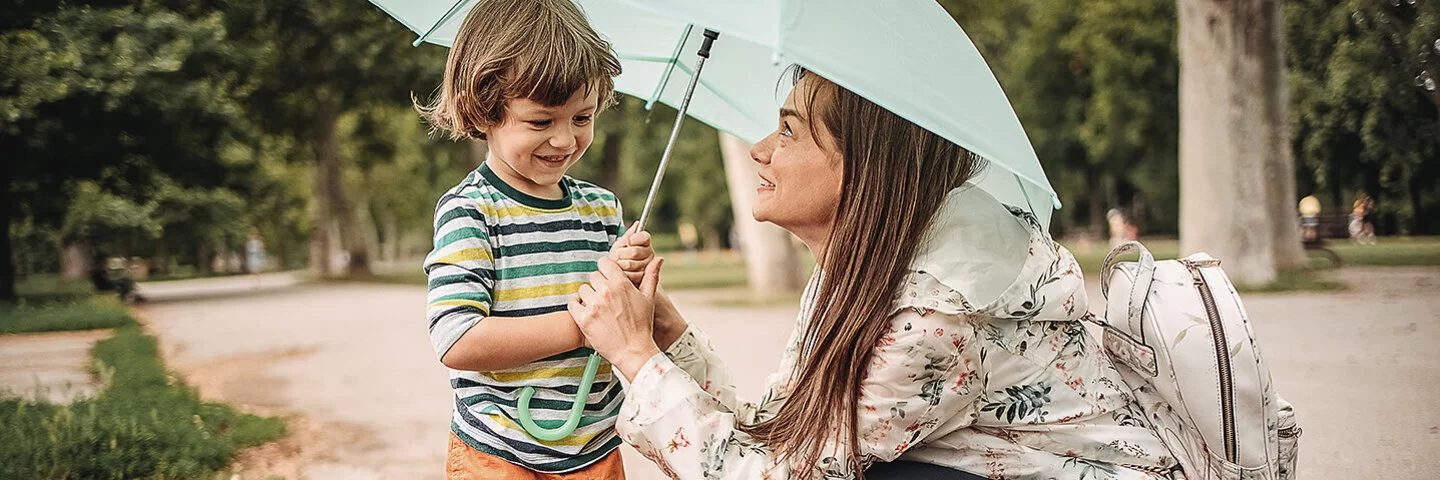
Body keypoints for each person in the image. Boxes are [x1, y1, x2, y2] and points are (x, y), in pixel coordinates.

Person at [569, 68, 1178, 479]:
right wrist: (670, 338)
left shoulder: (935, 317)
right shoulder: (869, 273)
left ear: (864, 166)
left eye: (788, 131)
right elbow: (784, 435)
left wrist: (635, 358)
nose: (760, 149)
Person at [416, 0, 652, 478]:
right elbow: (456, 339)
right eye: (541, 122)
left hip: (594, 451)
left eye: (582, 118)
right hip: (497, 453)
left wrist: (629, 282)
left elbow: (627, 322)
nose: (565, 140)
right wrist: (585, 324)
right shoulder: (472, 210)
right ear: (480, 111)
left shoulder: (602, 208)